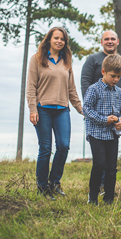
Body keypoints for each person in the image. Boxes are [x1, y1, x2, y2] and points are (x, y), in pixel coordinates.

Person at [26, 27, 83, 200]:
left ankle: (54, 182)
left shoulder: (67, 62)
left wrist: (82, 109)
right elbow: (31, 87)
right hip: (42, 109)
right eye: (56, 38)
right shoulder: (36, 59)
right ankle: (42, 186)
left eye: (63, 39)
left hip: (62, 110)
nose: (59, 41)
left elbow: (71, 89)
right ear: (49, 39)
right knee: (45, 148)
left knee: (64, 146)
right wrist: (32, 109)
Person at [81, 30, 121, 193]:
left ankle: (109, 193)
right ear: (101, 41)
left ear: (118, 41)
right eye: (107, 39)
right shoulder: (93, 60)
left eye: (113, 39)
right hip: (97, 123)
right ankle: (95, 192)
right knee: (100, 162)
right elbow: (85, 84)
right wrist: (100, 115)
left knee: (111, 163)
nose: (110, 41)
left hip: (116, 121)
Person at [83, 54, 121, 205]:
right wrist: (104, 119)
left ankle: (109, 197)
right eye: (113, 76)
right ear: (103, 72)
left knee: (111, 166)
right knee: (99, 164)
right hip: (96, 133)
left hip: (112, 134)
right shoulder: (93, 89)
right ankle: (93, 195)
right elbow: (87, 109)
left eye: (118, 77)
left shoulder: (120, 93)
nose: (116, 79)